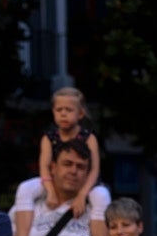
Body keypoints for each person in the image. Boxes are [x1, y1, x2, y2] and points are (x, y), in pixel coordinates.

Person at [36, 87, 108, 222]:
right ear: (53, 112)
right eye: (59, 110)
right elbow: (44, 167)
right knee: (26, 188)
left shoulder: (89, 138)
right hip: (54, 182)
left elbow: (94, 169)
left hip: (84, 183)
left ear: (80, 114)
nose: (63, 114)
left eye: (68, 110)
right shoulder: (48, 138)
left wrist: (81, 195)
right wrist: (51, 191)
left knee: (101, 195)